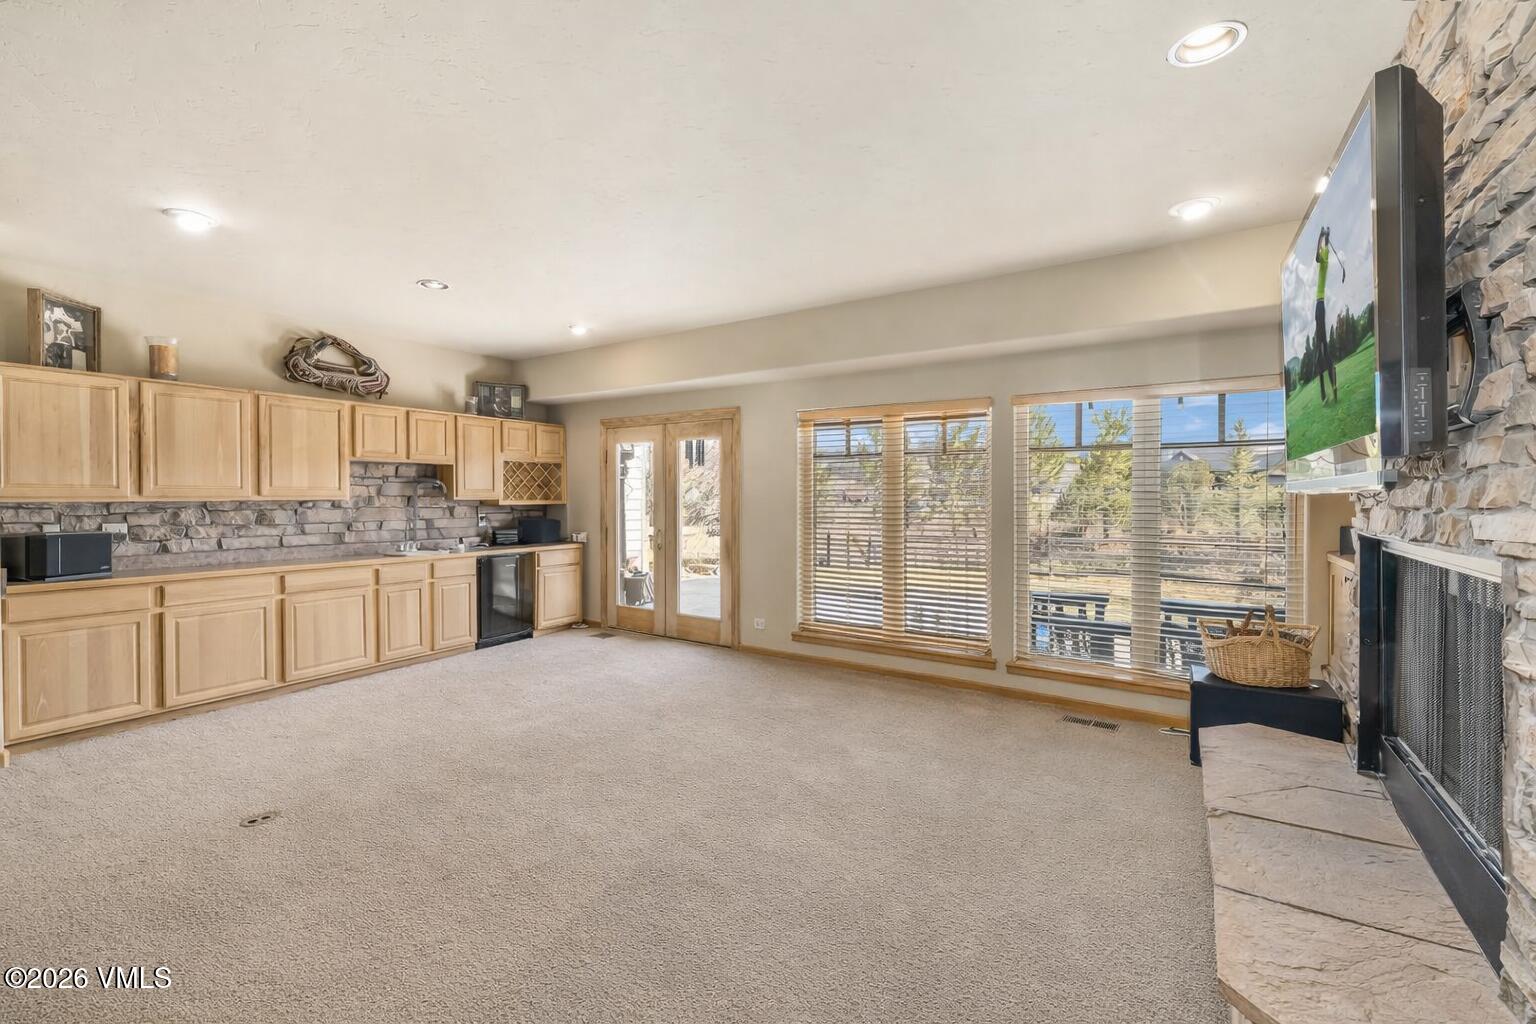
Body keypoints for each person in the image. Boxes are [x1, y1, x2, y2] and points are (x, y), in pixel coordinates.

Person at [1313, 226, 1346, 403]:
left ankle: (1330, 391)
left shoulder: (1324, 257)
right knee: (1320, 352)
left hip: (1320, 306)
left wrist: (1321, 235)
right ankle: (1327, 393)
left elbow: (1317, 255)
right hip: (1319, 307)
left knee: (1323, 351)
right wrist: (1324, 235)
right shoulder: (1325, 257)